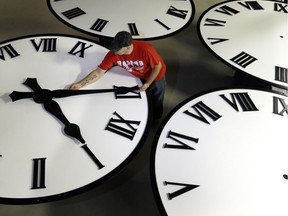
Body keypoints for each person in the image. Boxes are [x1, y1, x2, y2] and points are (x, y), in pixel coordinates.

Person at [69, 31, 166, 119]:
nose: (114, 52)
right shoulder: (112, 55)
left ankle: (156, 118)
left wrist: (148, 83)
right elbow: (99, 72)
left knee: (157, 98)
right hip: (138, 75)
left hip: (155, 76)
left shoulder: (146, 49)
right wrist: (80, 84)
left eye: (117, 49)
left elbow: (157, 67)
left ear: (128, 47)